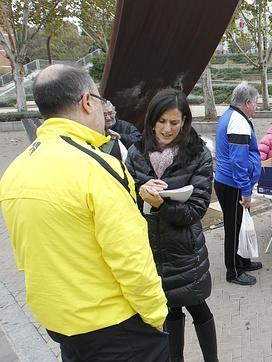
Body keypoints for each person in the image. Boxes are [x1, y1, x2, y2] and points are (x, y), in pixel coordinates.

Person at [0, 64, 169, 361]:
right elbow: (131, 258)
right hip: (116, 328)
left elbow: (25, 255)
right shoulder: (96, 167)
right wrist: (156, 315)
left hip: (62, 325)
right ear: (87, 101)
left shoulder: (16, 169)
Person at [125, 88, 217, 362]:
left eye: (174, 123)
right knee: (168, 312)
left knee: (198, 307)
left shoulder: (197, 153)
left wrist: (161, 204)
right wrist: (140, 189)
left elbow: (196, 209)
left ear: (185, 122)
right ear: (151, 120)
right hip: (150, 252)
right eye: (161, 121)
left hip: (185, 251)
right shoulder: (135, 153)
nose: (167, 129)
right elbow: (123, 198)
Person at [214, 82, 263, 286]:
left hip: (231, 183)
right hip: (232, 185)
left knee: (241, 224)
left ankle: (243, 261)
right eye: (256, 103)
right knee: (234, 228)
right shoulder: (238, 121)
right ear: (248, 102)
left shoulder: (233, 116)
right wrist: (245, 190)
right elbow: (238, 160)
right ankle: (233, 271)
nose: (257, 107)